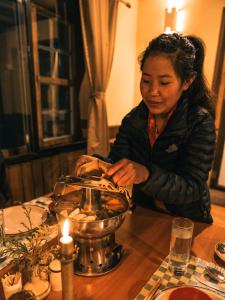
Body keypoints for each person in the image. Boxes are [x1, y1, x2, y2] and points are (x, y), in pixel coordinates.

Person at [75, 33, 216, 223]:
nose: (152, 91)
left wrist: (145, 174)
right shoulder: (134, 120)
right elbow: (118, 162)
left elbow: (192, 188)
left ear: (187, 81)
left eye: (164, 82)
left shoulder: (199, 122)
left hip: (187, 221)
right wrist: (97, 164)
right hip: (146, 214)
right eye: (146, 80)